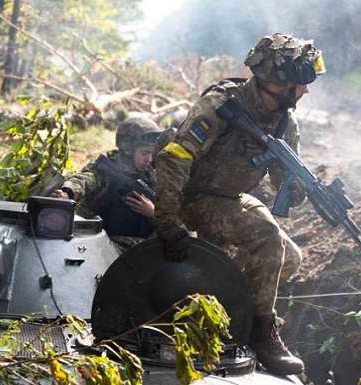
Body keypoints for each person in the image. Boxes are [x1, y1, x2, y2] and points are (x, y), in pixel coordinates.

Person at [153, 33, 325, 375]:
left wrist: (299, 185)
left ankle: (229, 313)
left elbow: (282, 184)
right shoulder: (221, 105)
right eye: (301, 82)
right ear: (279, 81)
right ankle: (262, 333)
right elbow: (175, 157)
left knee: (290, 258)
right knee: (267, 238)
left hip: (232, 197)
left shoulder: (284, 121)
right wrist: (168, 221)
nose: (305, 91)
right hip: (193, 196)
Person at [53, 114, 162, 253]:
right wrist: (67, 193)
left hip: (144, 246)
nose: (149, 159)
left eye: (152, 153)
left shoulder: (151, 173)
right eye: (145, 153)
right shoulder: (109, 168)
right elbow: (85, 179)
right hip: (107, 244)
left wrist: (153, 213)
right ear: (129, 150)